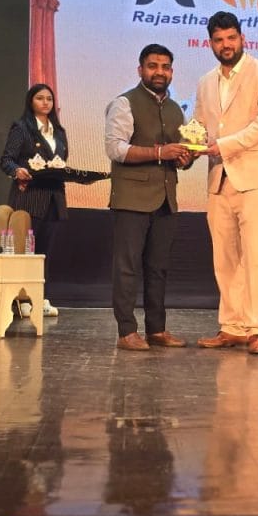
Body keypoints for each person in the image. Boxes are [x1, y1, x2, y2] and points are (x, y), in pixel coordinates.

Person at [194, 11, 258, 355]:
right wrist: (189, 147)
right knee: (225, 258)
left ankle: (257, 329)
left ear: (242, 38)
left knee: (256, 256)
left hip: (256, 176)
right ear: (210, 43)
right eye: (219, 40)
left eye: (231, 38)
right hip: (219, 177)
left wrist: (224, 145)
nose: (226, 45)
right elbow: (200, 126)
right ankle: (232, 327)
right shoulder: (206, 81)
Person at [104, 43, 192, 351]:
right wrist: (159, 153)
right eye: (153, 66)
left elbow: (180, 152)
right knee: (127, 267)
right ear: (140, 69)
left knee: (158, 268)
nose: (159, 72)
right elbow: (115, 148)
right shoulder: (124, 103)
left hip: (166, 198)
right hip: (131, 198)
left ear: (172, 72)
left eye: (165, 67)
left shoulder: (176, 109)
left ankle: (157, 329)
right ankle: (127, 331)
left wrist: (185, 158)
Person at [0, 82, 67, 317]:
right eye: (40, 98)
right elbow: (6, 160)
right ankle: (23, 298)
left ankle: (41, 297)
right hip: (29, 197)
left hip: (54, 198)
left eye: (49, 98)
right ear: (31, 101)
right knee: (27, 250)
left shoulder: (59, 132)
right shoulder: (21, 128)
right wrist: (17, 171)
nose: (45, 102)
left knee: (44, 253)